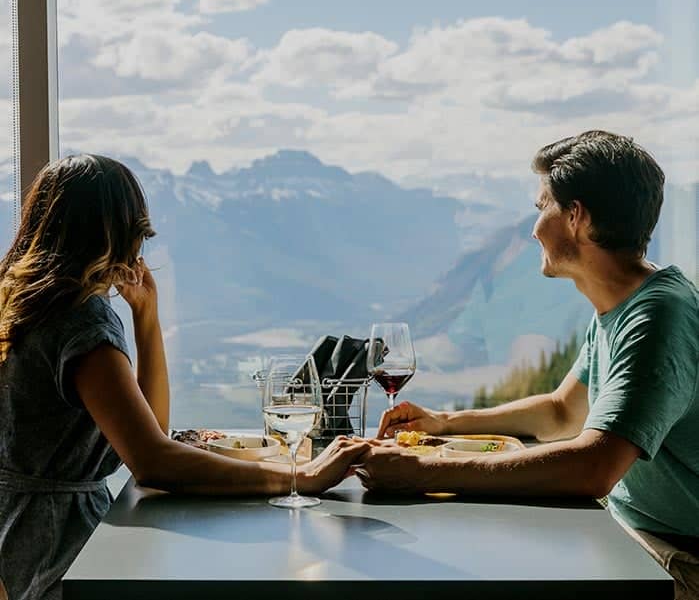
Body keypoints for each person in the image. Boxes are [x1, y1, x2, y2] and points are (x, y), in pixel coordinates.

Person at [0, 154, 370, 600]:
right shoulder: (81, 322)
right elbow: (154, 462)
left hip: (19, 536)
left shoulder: (21, 303)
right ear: (117, 235)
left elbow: (151, 434)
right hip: (69, 552)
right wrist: (298, 476)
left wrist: (146, 319)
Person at [357, 131, 699, 599]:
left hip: (674, 559)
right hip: (628, 531)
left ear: (576, 217)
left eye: (542, 207)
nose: (534, 226)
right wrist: (445, 423)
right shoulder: (626, 302)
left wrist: (422, 471)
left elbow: (594, 467)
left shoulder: (658, 316)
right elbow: (562, 412)